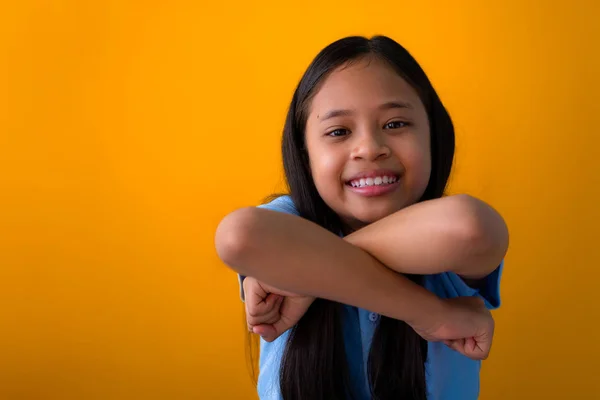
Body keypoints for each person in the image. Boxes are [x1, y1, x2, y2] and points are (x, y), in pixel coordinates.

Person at [214, 35, 509, 400]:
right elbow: (237, 236)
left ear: (434, 135)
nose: (369, 148)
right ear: (305, 154)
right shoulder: (288, 225)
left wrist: (308, 277)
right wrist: (432, 314)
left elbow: (472, 227)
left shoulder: (445, 243)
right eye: (338, 131)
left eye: (396, 124)